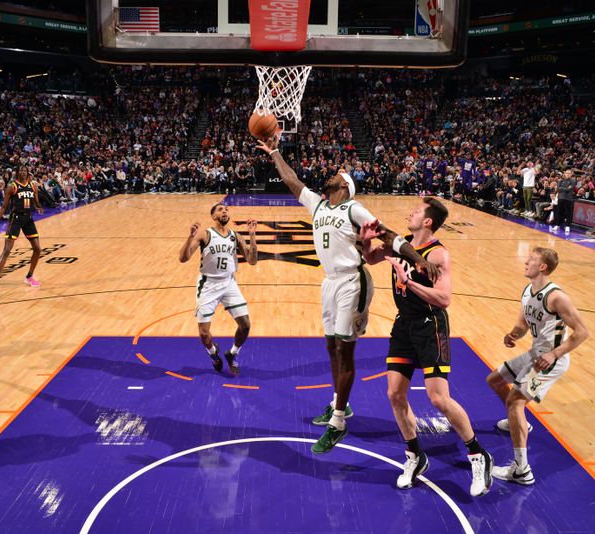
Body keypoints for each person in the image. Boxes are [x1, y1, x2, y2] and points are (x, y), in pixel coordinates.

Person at [256, 132, 440, 455]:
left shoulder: (354, 208)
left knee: (345, 349)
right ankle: (339, 403)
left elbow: (390, 235)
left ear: (345, 185)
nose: (332, 172)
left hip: (353, 281)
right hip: (329, 282)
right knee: (331, 345)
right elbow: (291, 180)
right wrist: (274, 152)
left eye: (338, 174)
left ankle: (338, 422)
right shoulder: (318, 203)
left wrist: (419, 258)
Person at [360, 197, 493, 496]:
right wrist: (366, 241)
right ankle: (415, 455)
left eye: (417, 211)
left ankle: (477, 454)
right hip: (404, 325)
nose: (410, 213)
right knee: (394, 393)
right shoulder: (403, 243)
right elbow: (370, 258)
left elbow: (444, 299)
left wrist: (410, 283)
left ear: (428, 221)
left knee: (438, 399)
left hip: (430, 325)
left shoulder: (437, 254)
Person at [485, 248, 589, 485]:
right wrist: (513, 334)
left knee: (515, 402)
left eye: (531, 260)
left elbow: (583, 332)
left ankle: (521, 470)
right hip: (536, 353)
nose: (526, 262)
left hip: (551, 360)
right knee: (494, 380)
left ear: (542, 267)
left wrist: (554, 353)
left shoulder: (556, 297)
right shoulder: (528, 290)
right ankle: (521, 422)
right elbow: (523, 324)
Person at [178, 203, 257, 375]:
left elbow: (252, 261)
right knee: (204, 334)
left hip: (229, 283)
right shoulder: (205, 234)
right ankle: (213, 353)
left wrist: (252, 236)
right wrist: (189, 237)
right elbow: (182, 258)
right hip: (208, 284)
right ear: (213, 216)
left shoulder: (235, 236)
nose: (224, 211)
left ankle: (232, 353)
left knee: (245, 325)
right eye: (220, 209)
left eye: (226, 209)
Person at [0, 166, 44, 295]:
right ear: (17, 173)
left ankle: (29, 276)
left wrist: (39, 207)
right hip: (15, 219)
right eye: (21, 170)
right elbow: (3, 207)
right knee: (7, 250)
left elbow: (36, 203)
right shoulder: (12, 186)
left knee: (38, 249)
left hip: (28, 219)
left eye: (25, 170)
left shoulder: (33, 186)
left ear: (27, 173)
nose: (23, 172)